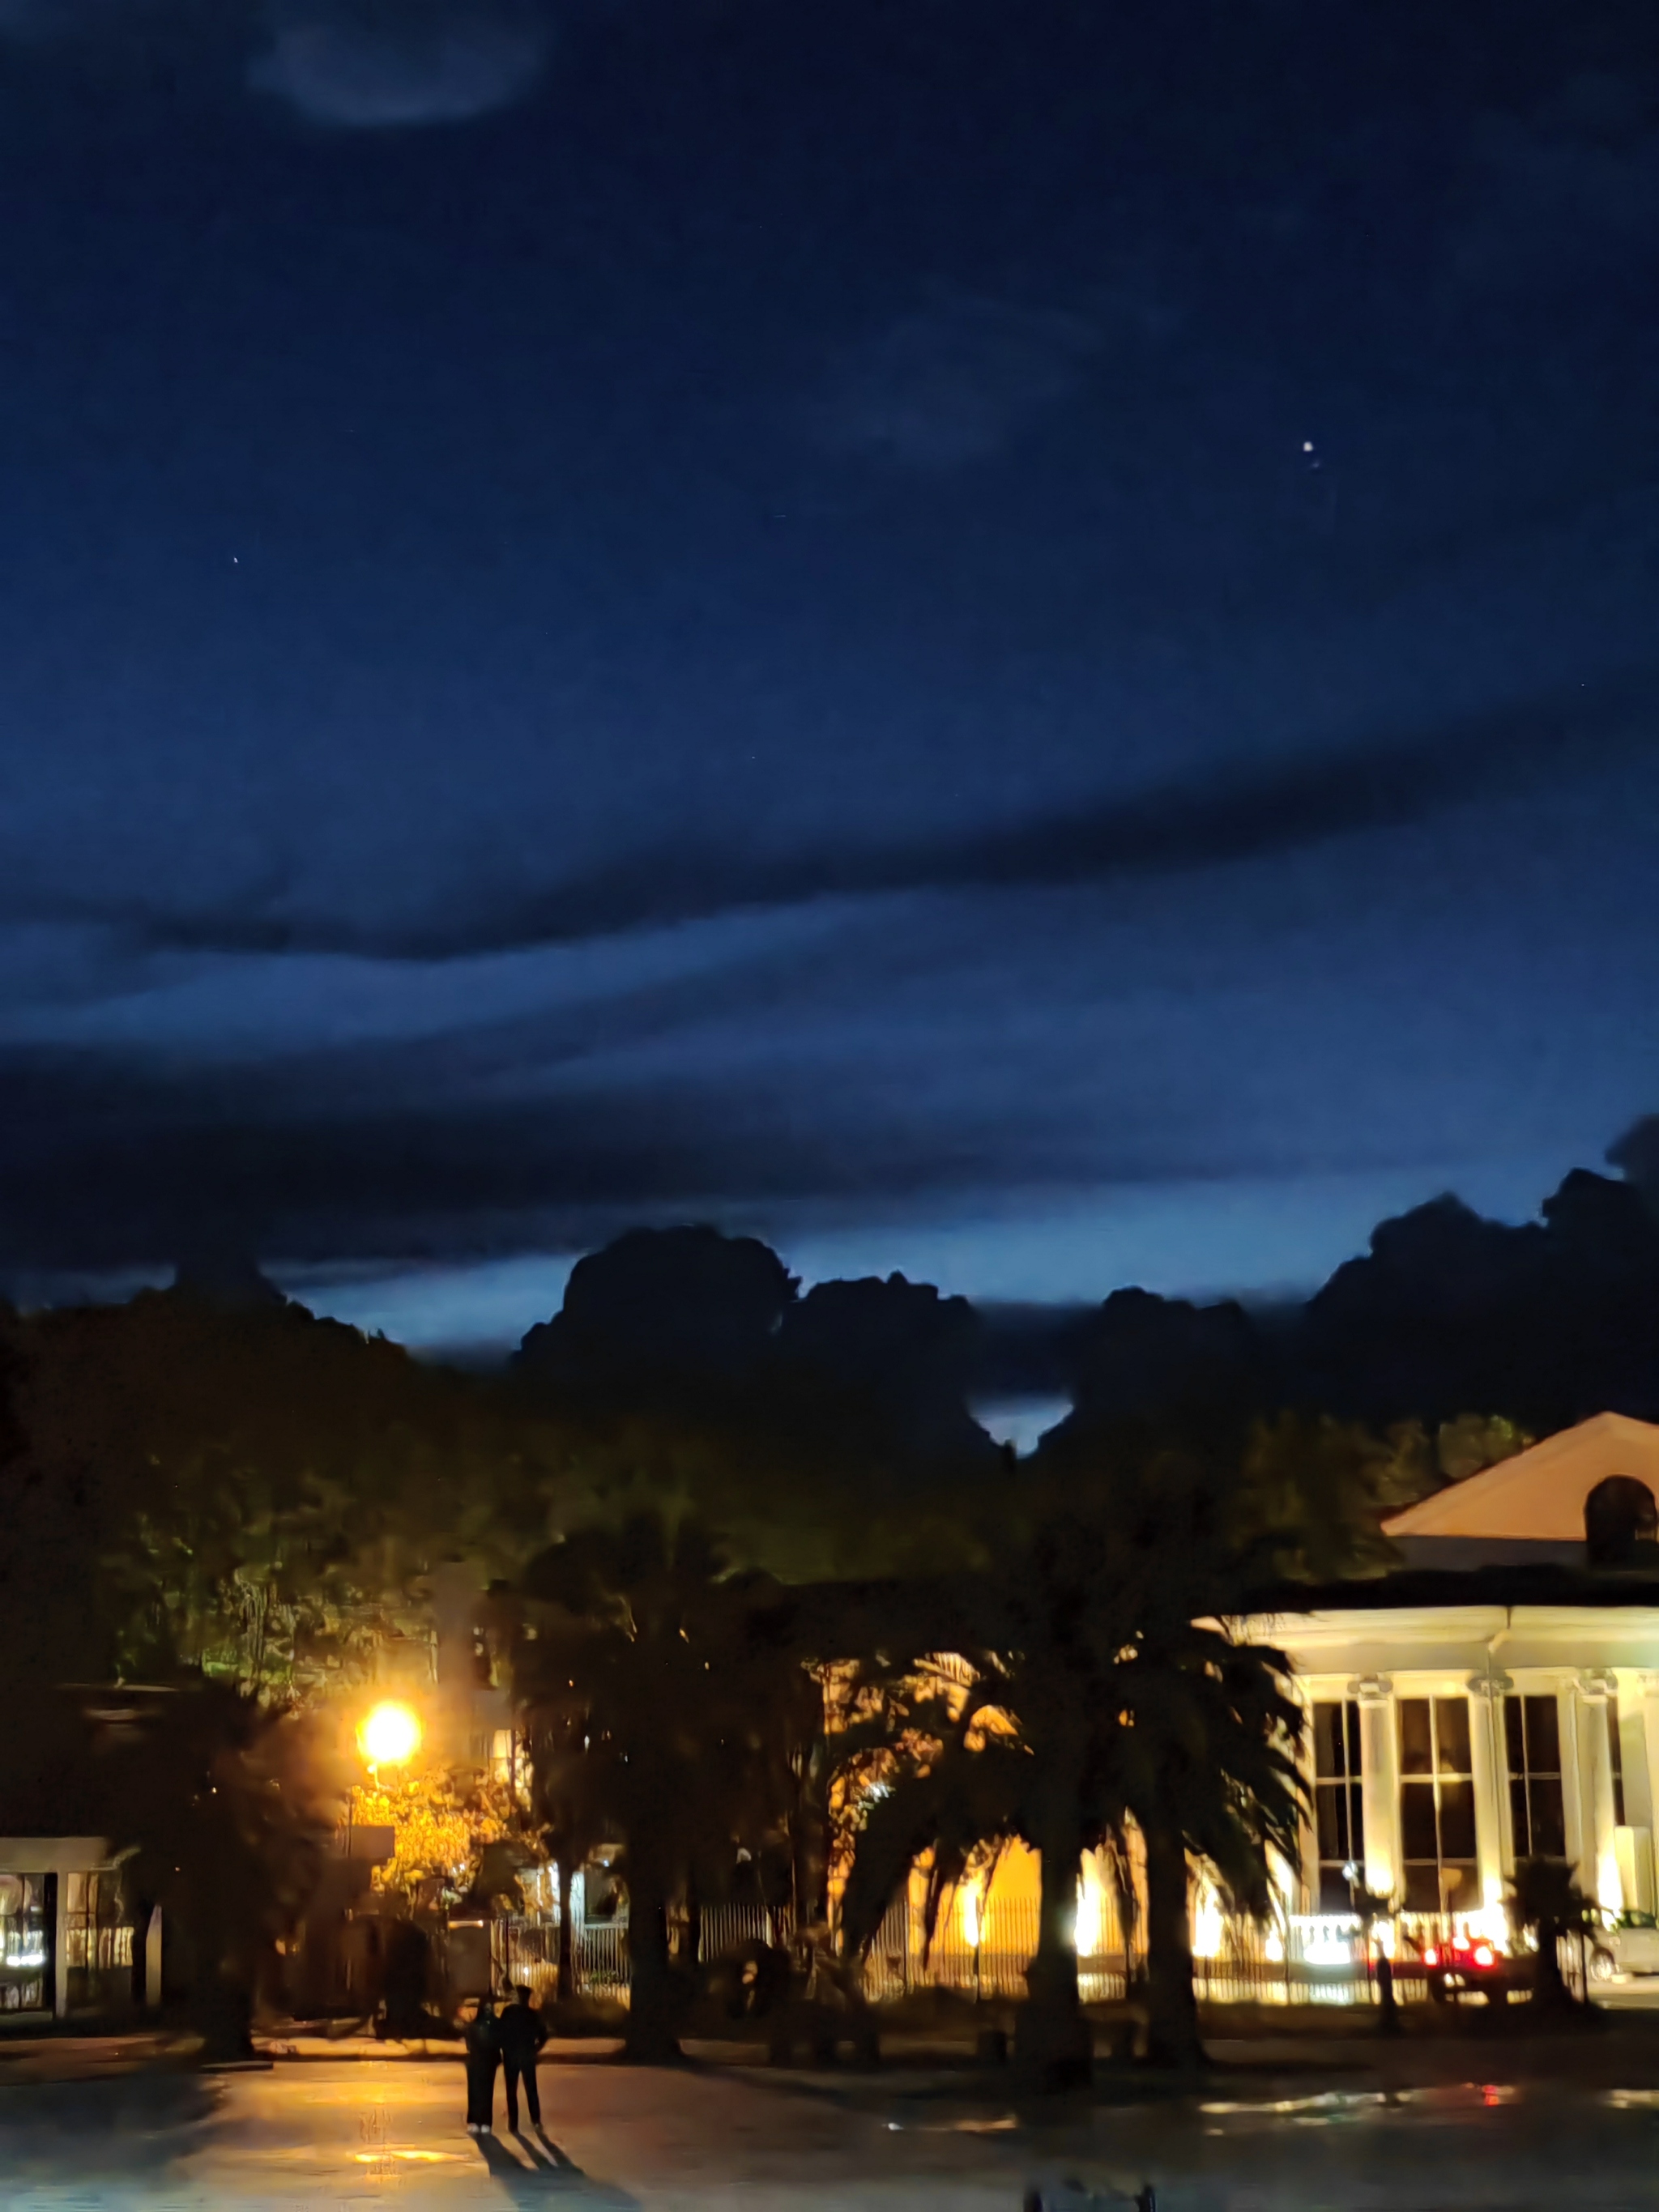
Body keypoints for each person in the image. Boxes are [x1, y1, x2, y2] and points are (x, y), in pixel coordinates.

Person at [497, 1983, 549, 2133]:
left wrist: (503, 2048)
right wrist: (535, 2049)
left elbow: (500, 2032)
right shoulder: (533, 2015)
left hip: (511, 2056)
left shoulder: (508, 2012)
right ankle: (536, 2121)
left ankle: (513, 2124)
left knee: (511, 2091)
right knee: (531, 2090)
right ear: (528, 1998)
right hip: (527, 2056)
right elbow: (544, 2035)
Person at [463, 1996, 500, 2133]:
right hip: (488, 2062)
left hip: (475, 2062)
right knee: (486, 2092)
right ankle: (485, 2122)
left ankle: (474, 2121)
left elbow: (469, 2045)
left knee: (474, 2092)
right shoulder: (496, 2024)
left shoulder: (473, 2025)